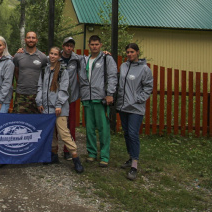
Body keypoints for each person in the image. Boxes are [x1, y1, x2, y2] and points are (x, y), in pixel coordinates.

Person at [37, 47, 84, 173]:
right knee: (51, 133)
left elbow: (64, 89)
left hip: (59, 108)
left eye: (55, 54)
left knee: (64, 133)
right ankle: (53, 155)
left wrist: (58, 104)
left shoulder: (63, 70)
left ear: (59, 57)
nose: (52, 56)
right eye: (51, 53)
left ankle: (75, 157)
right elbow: (40, 87)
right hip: (46, 108)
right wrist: (39, 101)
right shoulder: (44, 70)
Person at [116, 43, 153, 180]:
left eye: (132, 52)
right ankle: (130, 158)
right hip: (123, 107)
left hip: (136, 108)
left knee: (133, 134)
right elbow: (120, 85)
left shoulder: (144, 69)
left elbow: (148, 87)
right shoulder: (124, 66)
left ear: (137, 52)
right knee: (126, 133)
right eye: (127, 52)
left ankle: (134, 166)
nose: (129, 54)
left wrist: (139, 99)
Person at [80, 35, 117, 167]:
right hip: (87, 98)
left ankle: (105, 156)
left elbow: (112, 76)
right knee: (89, 129)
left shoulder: (107, 58)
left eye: (97, 44)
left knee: (103, 128)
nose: (94, 46)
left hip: (100, 98)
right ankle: (91, 153)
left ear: (101, 45)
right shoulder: (85, 60)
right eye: (92, 44)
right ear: (88, 45)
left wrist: (110, 94)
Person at [59, 36, 83, 160]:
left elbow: (91, 59)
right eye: (67, 45)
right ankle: (52, 150)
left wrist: (105, 54)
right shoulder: (55, 58)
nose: (69, 48)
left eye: (71, 46)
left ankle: (67, 150)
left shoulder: (77, 59)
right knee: (56, 125)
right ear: (63, 46)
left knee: (71, 125)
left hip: (72, 97)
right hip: (58, 98)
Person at [13, 31, 48, 113]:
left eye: (33, 38)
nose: (31, 40)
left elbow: (45, 75)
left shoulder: (42, 57)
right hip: (21, 94)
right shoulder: (18, 56)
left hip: (36, 95)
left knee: (35, 122)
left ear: (37, 40)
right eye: (28, 37)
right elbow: (16, 72)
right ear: (25, 39)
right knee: (19, 121)